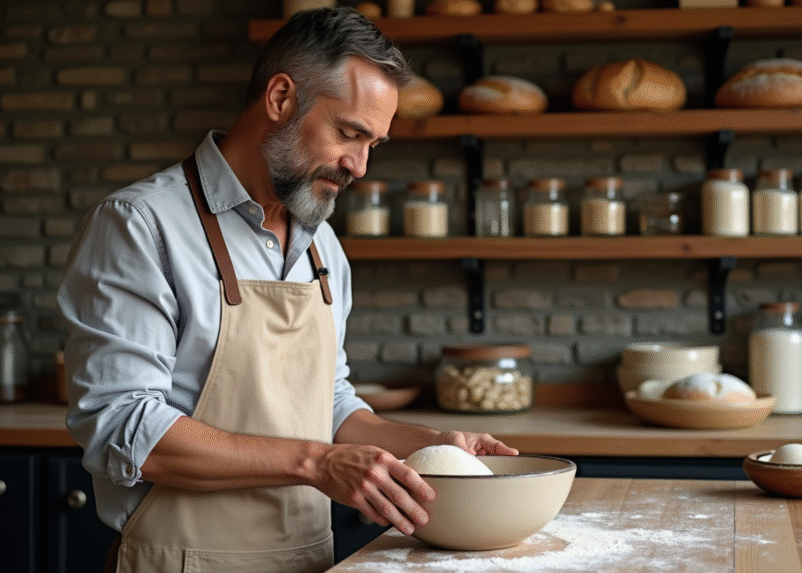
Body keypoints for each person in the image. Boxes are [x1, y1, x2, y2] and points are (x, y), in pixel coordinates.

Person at [57, 7, 518, 573]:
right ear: (280, 98)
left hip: (305, 561)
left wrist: (429, 443)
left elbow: (328, 405)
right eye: (349, 134)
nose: (360, 166)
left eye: (374, 143)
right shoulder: (140, 225)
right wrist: (317, 464)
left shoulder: (324, 248)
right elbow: (125, 427)